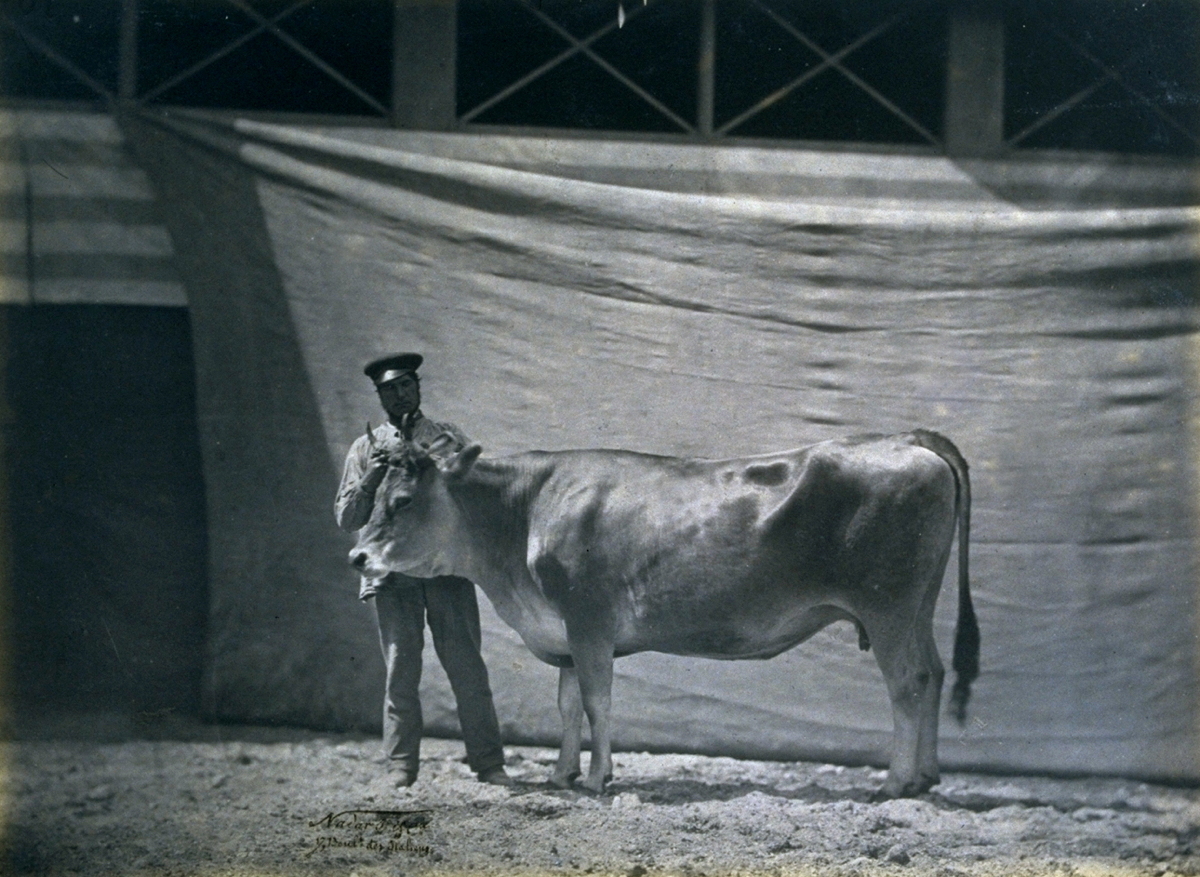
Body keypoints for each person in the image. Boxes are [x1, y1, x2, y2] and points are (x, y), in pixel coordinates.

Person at [335, 352, 512, 788]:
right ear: (379, 396)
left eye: (407, 384)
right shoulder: (365, 448)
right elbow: (346, 519)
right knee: (401, 671)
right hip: (392, 575)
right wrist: (372, 478)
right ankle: (401, 766)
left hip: (444, 571)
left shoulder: (446, 438)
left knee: (468, 668)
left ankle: (489, 764)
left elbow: (475, 498)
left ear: (418, 387)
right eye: (389, 388)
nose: (400, 394)